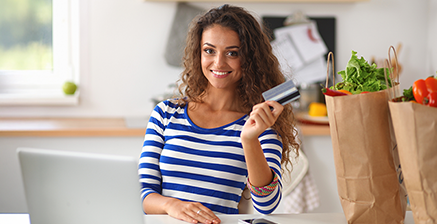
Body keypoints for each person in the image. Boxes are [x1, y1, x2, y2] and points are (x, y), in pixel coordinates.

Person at [138, 4, 300, 224]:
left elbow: (267, 205)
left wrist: (249, 139)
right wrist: (172, 205)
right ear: (199, 53)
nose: (219, 63)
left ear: (249, 59)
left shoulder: (259, 125)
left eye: (232, 53)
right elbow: (145, 194)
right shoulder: (166, 113)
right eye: (209, 50)